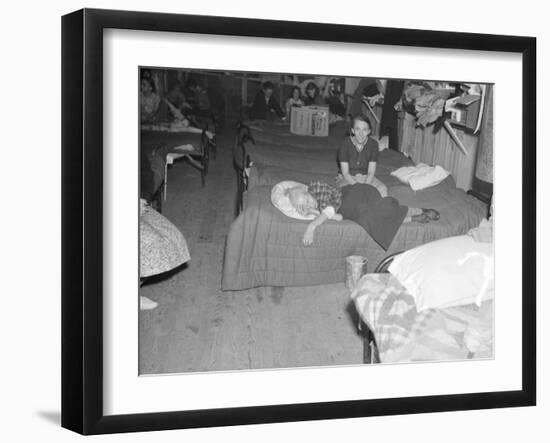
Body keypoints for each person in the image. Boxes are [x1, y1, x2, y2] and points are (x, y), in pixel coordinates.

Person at [283, 181, 440, 250]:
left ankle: (416, 210)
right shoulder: (315, 209)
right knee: (369, 220)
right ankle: (414, 217)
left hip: (356, 194)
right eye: (305, 206)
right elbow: (338, 218)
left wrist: (312, 226)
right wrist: (313, 212)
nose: (310, 204)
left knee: (376, 211)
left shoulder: (317, 188)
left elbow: (331, 209)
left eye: (308, 199)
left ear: (307, 191)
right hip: (354, 210)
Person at [337, 114, 388, 197]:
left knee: (383, 189)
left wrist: (365, 187)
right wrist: (358, 188)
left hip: (366, 177)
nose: (361, 133)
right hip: (348, 178)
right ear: (353, 130)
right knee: (346, 194)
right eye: (357, 129)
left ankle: (381, 207)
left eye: (364, 130)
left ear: (369, 131)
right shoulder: (345, 144)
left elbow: (371, 172)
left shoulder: (373, 145)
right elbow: (345, 173)